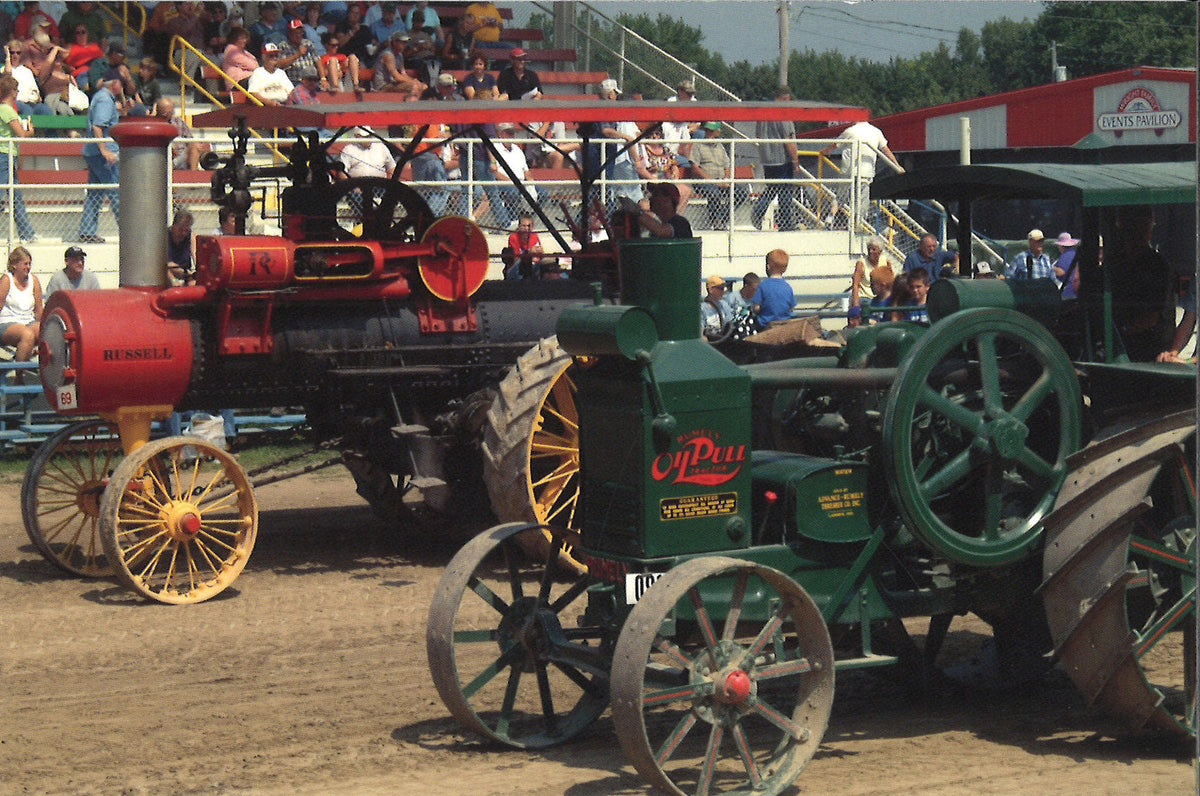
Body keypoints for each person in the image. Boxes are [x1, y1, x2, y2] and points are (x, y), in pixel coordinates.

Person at [1111, 206, 1174, 362]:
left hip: (1150, 348)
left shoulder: (1157, 265)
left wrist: (1121, 331)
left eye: (1143, 228)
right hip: (1123, 342)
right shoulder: (1117, 262)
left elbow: (1152, 317)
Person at [819, 119, 904, 230]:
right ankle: (855, 223)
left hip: (848, 170)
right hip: (866, 171)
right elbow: (885, 150)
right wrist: (897, 165)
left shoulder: (850, 131)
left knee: (840, 196)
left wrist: (825, 150)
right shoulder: (876, 132)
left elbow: (835, 144)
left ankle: (830, 217)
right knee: (862, 199)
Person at [78, 74, 121, 244]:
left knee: (95, 193)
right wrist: (104, 150)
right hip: (102, 153)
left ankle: (87, 231)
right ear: (115, 84)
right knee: (116, 191)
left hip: (92, 152)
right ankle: (128, 230)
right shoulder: (105, 100)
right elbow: (98, 126)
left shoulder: (100, 97)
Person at [752, 87, 799, 231]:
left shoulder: (764, 114)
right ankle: (785, 223)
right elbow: (788, 139)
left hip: (767, 158)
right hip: (781, 158)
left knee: (773, 188)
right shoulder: (782, 113)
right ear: (785, 99)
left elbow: (758, 134)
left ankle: (758, 212)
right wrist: (795, 160)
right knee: (785, 190)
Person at [0, 74, 36, 242]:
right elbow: (21, 134)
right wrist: (30, 131)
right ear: (12, 92)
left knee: (16, 196)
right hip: (5, 156)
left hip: (8, 156)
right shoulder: (7, 110)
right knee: (6, 195)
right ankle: (27, 234)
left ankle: (27, 233)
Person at [689, 121, 740, 229]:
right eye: (707, 130)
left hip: (720, 180)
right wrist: (713, 181)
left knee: (741, 193)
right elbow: (695, 168)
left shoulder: (720, 147)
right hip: (703, 182)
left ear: (718, 132)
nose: (708, 133)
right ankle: (716, 222)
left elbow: (727, 166)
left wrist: (726, 179)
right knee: (714, 193)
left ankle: (721, 218)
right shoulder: (698, 145)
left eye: (711, 131)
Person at [0, 245, 42, 365]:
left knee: (46, 331)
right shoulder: (6, 280)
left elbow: (39, 310)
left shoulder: (34, 280)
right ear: (14, 264)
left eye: (29, 264)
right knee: (27, 334)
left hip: (28, 321)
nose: (28, 267)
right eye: (25, 264)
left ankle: (51, 374)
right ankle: (19, 376)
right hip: (7, 323)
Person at [634, 127, 692, 211]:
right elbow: (641, 169)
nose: (654, 136)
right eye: (651, 134)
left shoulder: (665, 149)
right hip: (650, 183)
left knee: (686, 190)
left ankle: (673, 217)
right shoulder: (643, 150)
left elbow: (674, 164)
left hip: (667, 181)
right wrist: (655, 180)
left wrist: (675, 175)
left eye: (657, 134)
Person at [370, 30, 424, 97]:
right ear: (395, 42)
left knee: (423, 86)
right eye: (403, 42)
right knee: (414, 86)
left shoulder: (400, 55)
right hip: (384, 85)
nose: (405, 45)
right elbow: (397, 77)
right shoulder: (388, 55)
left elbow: (403, 73)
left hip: (394, 83)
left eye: (406, 42)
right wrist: (413, 82)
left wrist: (414, 81)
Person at [156, 98, 205, 170]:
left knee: (195, 145)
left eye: (171, 111)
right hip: (167, 157)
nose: (170, 114)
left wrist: (195, 145)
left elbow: (190, 139)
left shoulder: (178, 121)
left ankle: (193, 176)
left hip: (183, 154)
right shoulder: (154, 125)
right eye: (167, 113)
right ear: (159, 111)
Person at [4, 39, 49, 116]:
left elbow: (35, 89)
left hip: (31, 101)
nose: (15, 55)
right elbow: (8, 73)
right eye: (12, 52)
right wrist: (7, 56)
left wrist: (37, 96)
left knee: (46, 110)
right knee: (27, 110)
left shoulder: (27, 71)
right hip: (16, 102)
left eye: (18, 53)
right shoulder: (4, 70)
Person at [661, 79, 699, 168]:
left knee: (701, 133)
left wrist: (694, 125)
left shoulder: (693, 101)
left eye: (691, 94)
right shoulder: (672, 102)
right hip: (669, 151)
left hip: (685, 129)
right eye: (688, 93)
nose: (690, 96)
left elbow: (697, 121)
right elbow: (674, 118)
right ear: (681, 92)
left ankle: (698, 157)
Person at [850, 237, 894, 313]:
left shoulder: (885, 261)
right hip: (865, 297)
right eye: (869, 249)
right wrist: (856, 306)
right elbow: (856, 285)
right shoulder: (861, 263)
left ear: (880, 252)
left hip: (881, 297)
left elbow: (891, 281)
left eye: (874, 249)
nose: (870, 251)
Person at [752, 249, 795, 325]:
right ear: (785, 269)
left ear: (768, 266)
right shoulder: (788, 287)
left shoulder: (762, 286)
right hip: (784, 326)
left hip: (765, 325)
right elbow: (791, 308)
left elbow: (756, 308)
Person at [277, 17, 321, 85]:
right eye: (296, 33)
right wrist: (297, 55)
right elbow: (279, 64)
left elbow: (318, 61)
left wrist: (323, 78)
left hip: (312, 80)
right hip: (294, 81)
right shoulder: (283, 46)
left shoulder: (308, 43)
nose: (298, 36)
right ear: (289, 33)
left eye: (300, 33)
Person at [502, 214, 546, 279]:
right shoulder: (513, 237)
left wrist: (541, 254)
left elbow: (538, 258)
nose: (526, 228)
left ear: (532, 227)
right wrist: (529, 252)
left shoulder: (535, 236)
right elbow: (514, 261)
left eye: (529, 226)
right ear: (519, 226)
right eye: (524, 226)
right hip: (515, 269)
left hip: (531, 267)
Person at [166, 209, 196, 285]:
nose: (183, 233)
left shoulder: (191, 235)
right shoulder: (164, 237)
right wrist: (174, 280)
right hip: (168, 272)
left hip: (186, 273)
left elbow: (196, 255)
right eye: (180, 229)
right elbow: (164, 264)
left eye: (186, 230)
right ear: (174, 226)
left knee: (194, 284)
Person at [701, 274, 733, 339]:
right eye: (720, 288)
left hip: (724, 339)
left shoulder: (724, 304)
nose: (723, 291)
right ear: (711, 289)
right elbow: (700, 330)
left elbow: (729, 324)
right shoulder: (702, 309)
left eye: (723, 288)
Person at [1053, 231, 1081, 298]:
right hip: (1077, 291)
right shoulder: (1075, 255)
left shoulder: (1065, 256)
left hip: (1067, 293)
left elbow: (1061, 272)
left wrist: (1051, 267)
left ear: (1060, 246)